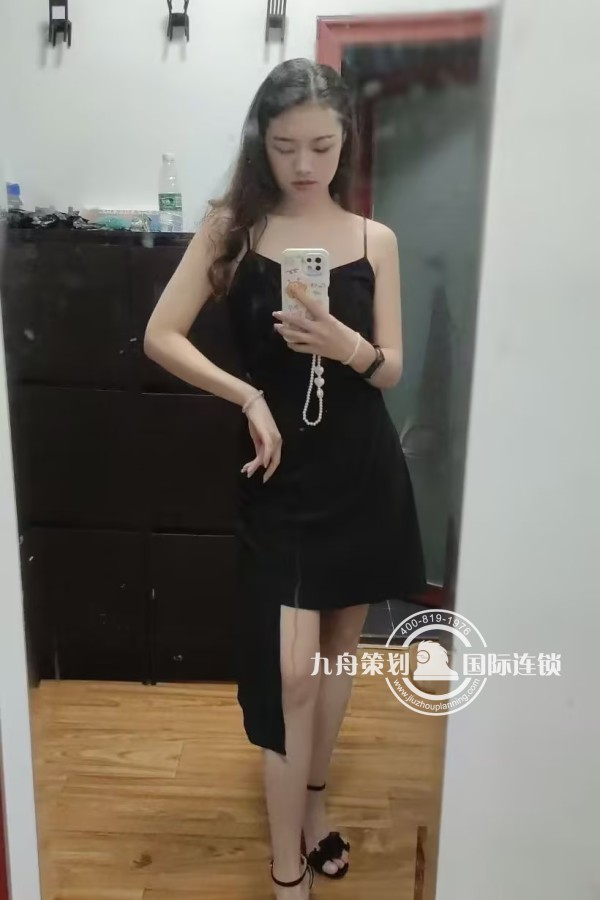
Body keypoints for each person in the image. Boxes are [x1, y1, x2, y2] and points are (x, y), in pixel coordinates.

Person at [144, 58, 427, 900]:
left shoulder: (376, 240)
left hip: (363, 474)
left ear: (346, 142)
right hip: (282, 482)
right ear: (259, 144)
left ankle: (314, 806)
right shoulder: (231, 229)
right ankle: (285, 870)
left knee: (336, 663)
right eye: (284, 146)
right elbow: (161, 335)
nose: (304, 165)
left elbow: (392, 369)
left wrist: (348, 345)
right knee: (290, 675)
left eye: (322, 147)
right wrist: (248, 395)